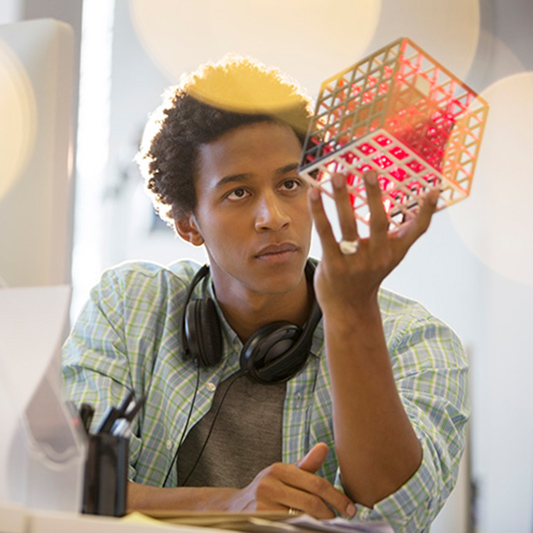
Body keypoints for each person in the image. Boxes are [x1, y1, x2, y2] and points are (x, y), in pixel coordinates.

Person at [62, 55, 469, 532]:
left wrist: (351, 312)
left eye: (290, 183)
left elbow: (396, 515)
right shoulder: (128, 305)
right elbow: (69, 486)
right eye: (238, 193)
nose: (273, 216)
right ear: (189, 223)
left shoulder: (415, 339)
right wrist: (232, 505)